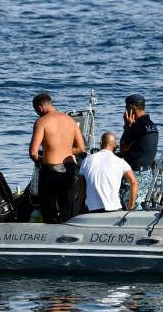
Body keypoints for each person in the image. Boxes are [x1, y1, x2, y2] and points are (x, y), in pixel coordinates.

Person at [29, 92, 87, 223]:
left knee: (49, 211)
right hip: (69, 169)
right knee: (67, 209)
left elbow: (33, 152)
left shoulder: (41, 122)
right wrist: (64, 149)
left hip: (50, 170)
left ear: (39, 108)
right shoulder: (70, 121)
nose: (38, 114)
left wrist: (40, 162)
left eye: (37, 112)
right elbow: (81, 149)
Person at [78, 132, 138, 213]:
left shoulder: (86, 160)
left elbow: (81, 185)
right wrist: (130, 208)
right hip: (114, 209)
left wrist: (81, 207)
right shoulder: (121, 162)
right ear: (115, 146)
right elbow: (134, 182)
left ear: (100, 143)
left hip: (92, 209)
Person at [119, 93, 159, 209]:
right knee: (139, 204)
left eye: (126, 108)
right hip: (147, 173)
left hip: (135, 174)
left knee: (129, 206)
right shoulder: (152, 125)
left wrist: (127, 126)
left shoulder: (136, 126)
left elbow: (123, 148)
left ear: (131, 109)